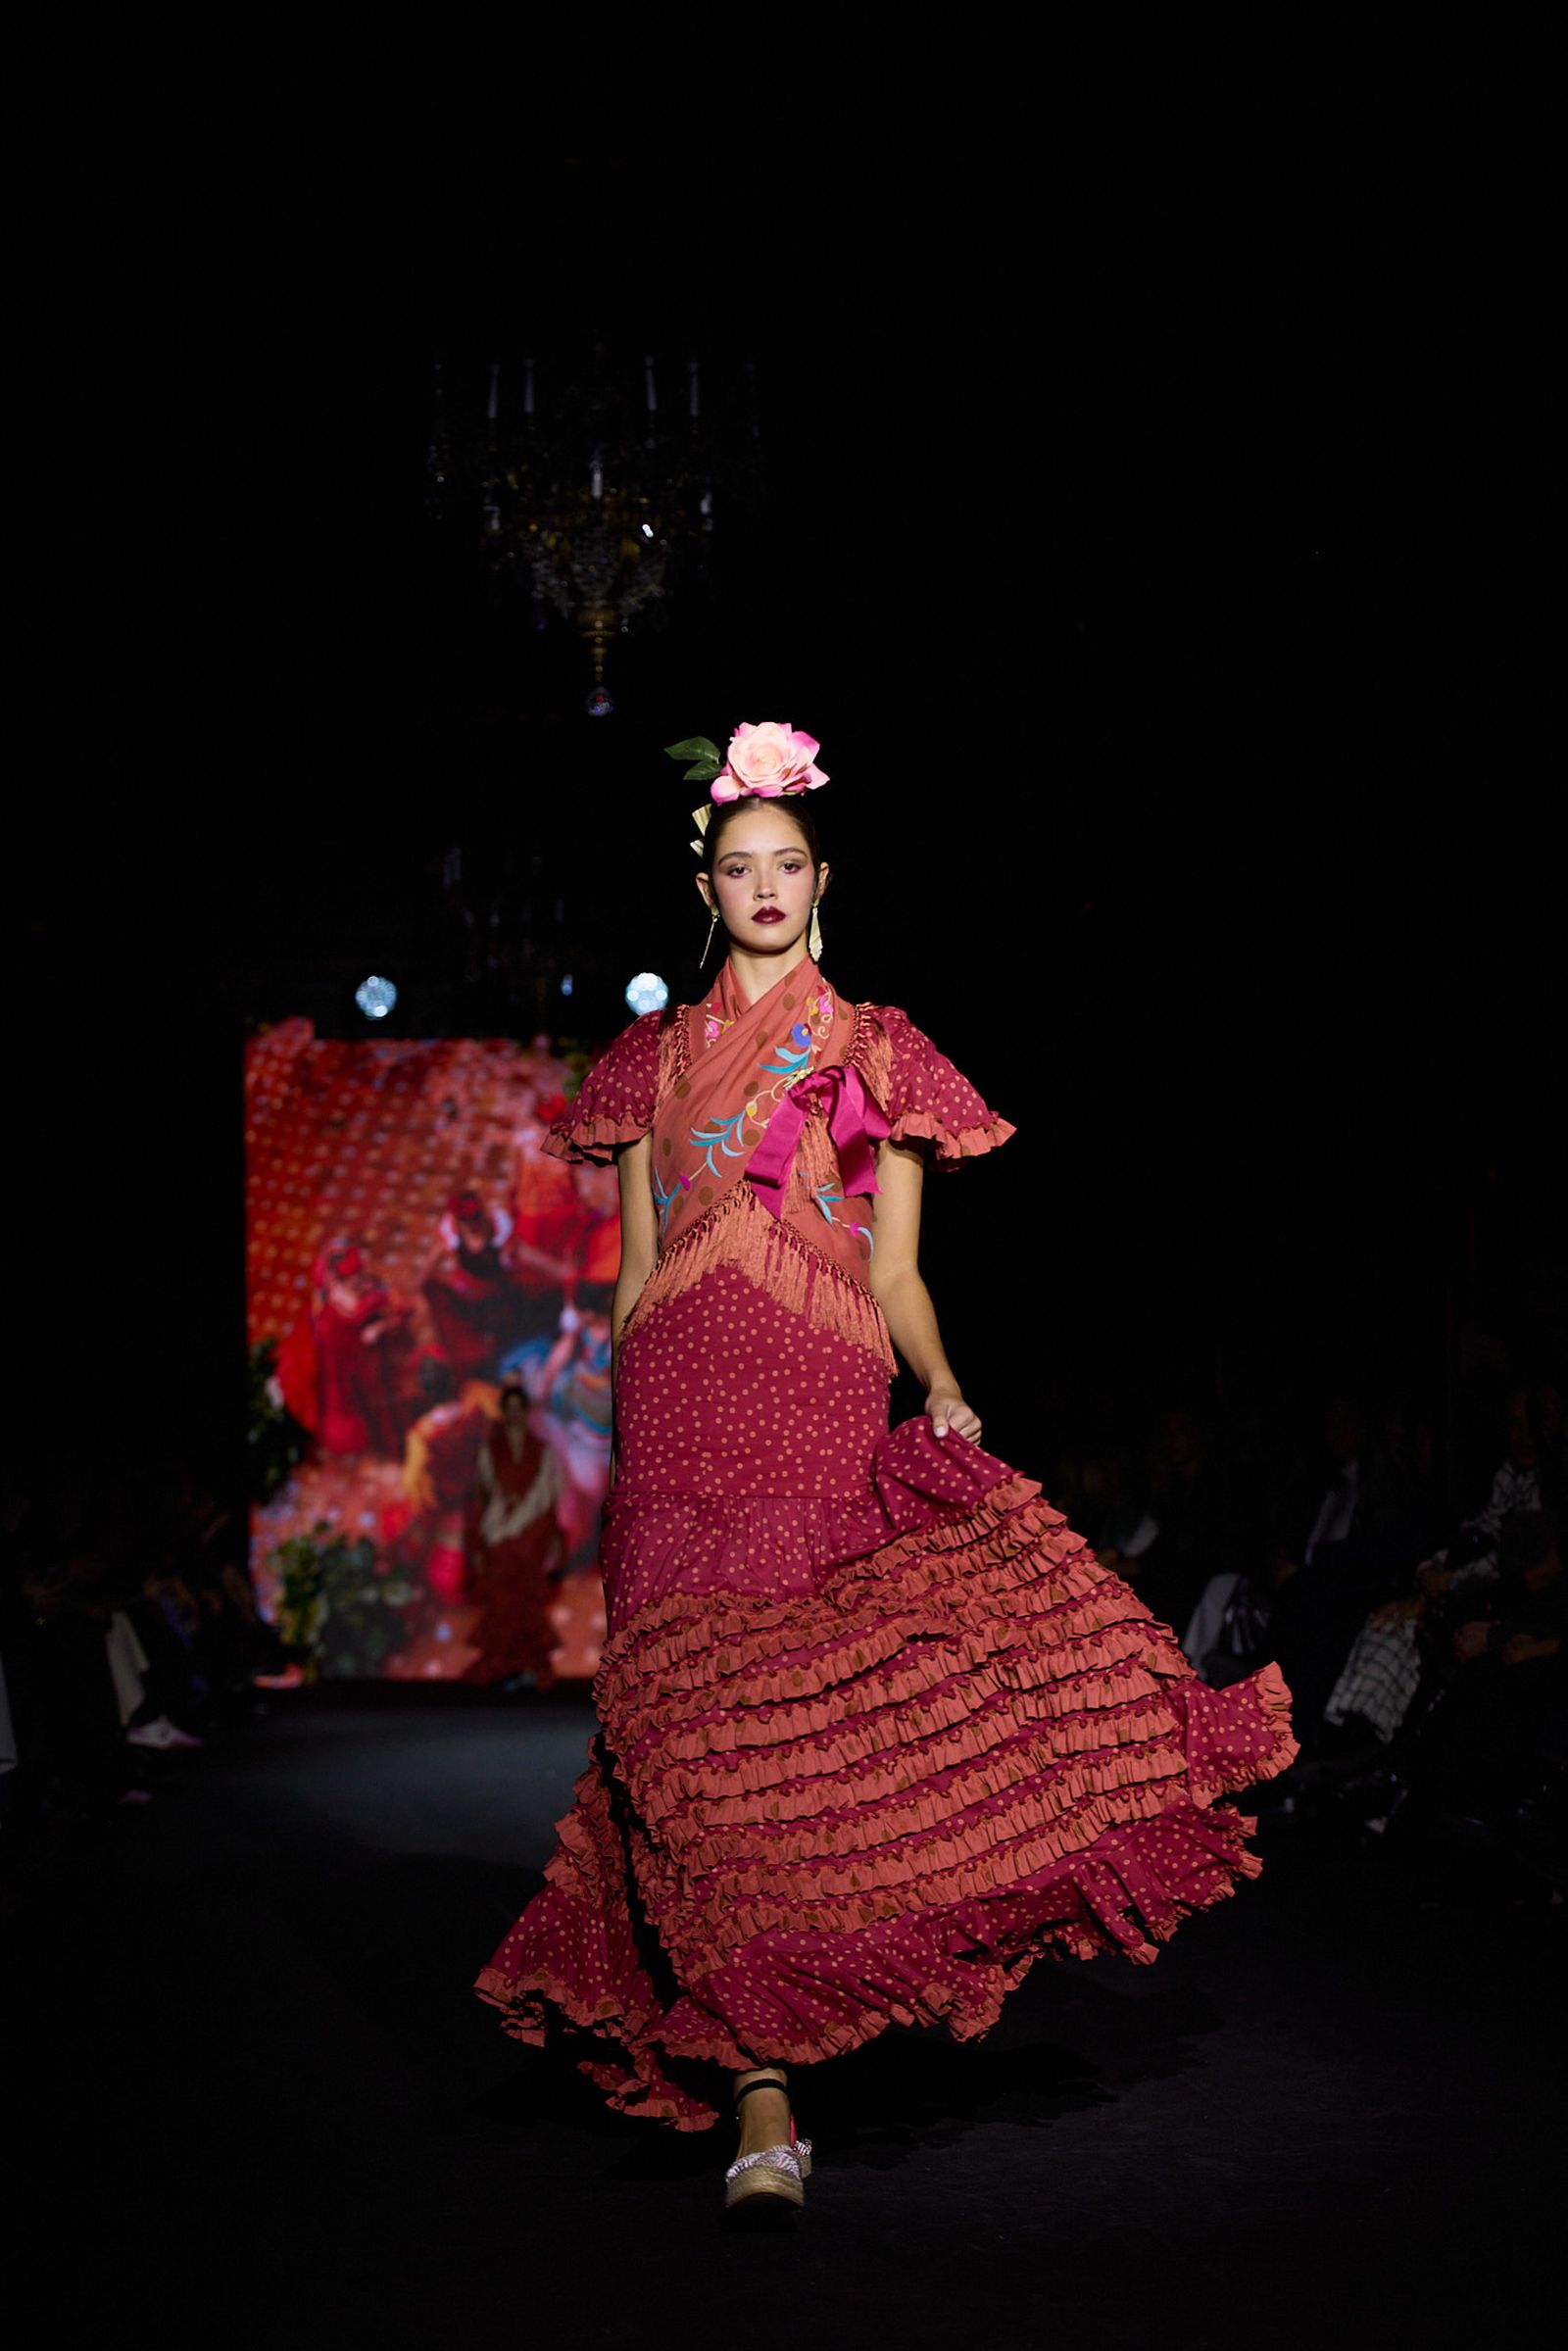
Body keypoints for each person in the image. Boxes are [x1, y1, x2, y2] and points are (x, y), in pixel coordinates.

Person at [474, 721, 1298, 2219]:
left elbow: (902, 1268)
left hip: (818, 1396)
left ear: (822, 876)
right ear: (707, 885)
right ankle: (762, 2086)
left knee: (823, 1730)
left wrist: (948, 1385)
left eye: (788, 865)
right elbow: (638, 1268)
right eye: (740, 868)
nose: (766, 887)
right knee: (692, 1743)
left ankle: (773, 2073)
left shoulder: (876, 1048)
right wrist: (622, 1406)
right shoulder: (649, 1060)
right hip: (678, 1419)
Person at [463, 1382, 566, 1689]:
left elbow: (548, 1497)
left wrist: (551, 1539)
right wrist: (480, 1539)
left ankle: (530, 1667)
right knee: (502, 1600)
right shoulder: (490, 1451)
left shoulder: (542, 1451)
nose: (514, 1415)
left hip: (532, 1536)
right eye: (508, 1410)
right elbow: (482, 1496)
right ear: (502, 1413)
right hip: (498, 1533)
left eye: (519, 1409)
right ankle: (501, 1666)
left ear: (526, 1412)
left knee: (527, 1601)